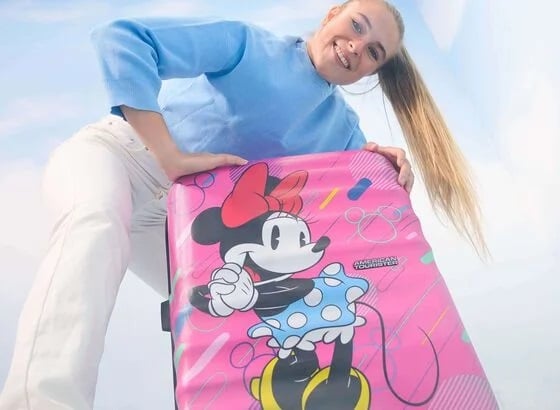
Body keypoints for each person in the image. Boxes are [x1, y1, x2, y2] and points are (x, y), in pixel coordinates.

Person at [0, 0, 488, 409]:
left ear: (373, 72)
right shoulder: (248, 45)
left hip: (181, 226)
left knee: (238, 306)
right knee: (94, 224)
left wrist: (384, 166)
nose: (357, 47)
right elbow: (121, 38)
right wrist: (168, 154)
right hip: (117, 155)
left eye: (374, 52)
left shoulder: (341, 132)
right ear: (332, 15)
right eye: (356, 26)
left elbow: (358, 203)